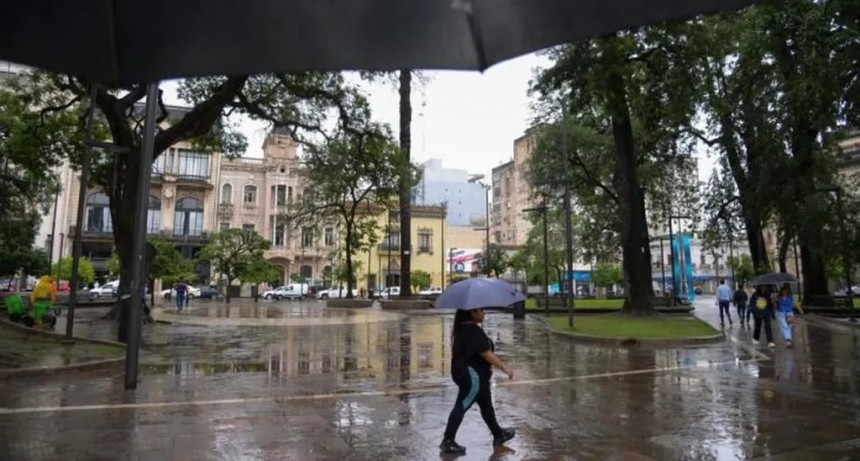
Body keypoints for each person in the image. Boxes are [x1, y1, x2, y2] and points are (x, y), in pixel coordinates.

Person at [441, 308, 516, 455]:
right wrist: (505, 368)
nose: (484, 313)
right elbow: (486, 354)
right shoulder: (471, 330)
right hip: (472, 376)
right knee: (462, 405)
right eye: (481, 310)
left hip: (476, 376)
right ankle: (448, 441)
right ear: (472, 313)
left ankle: (498, 434)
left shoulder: (463, 328)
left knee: (487, 406)